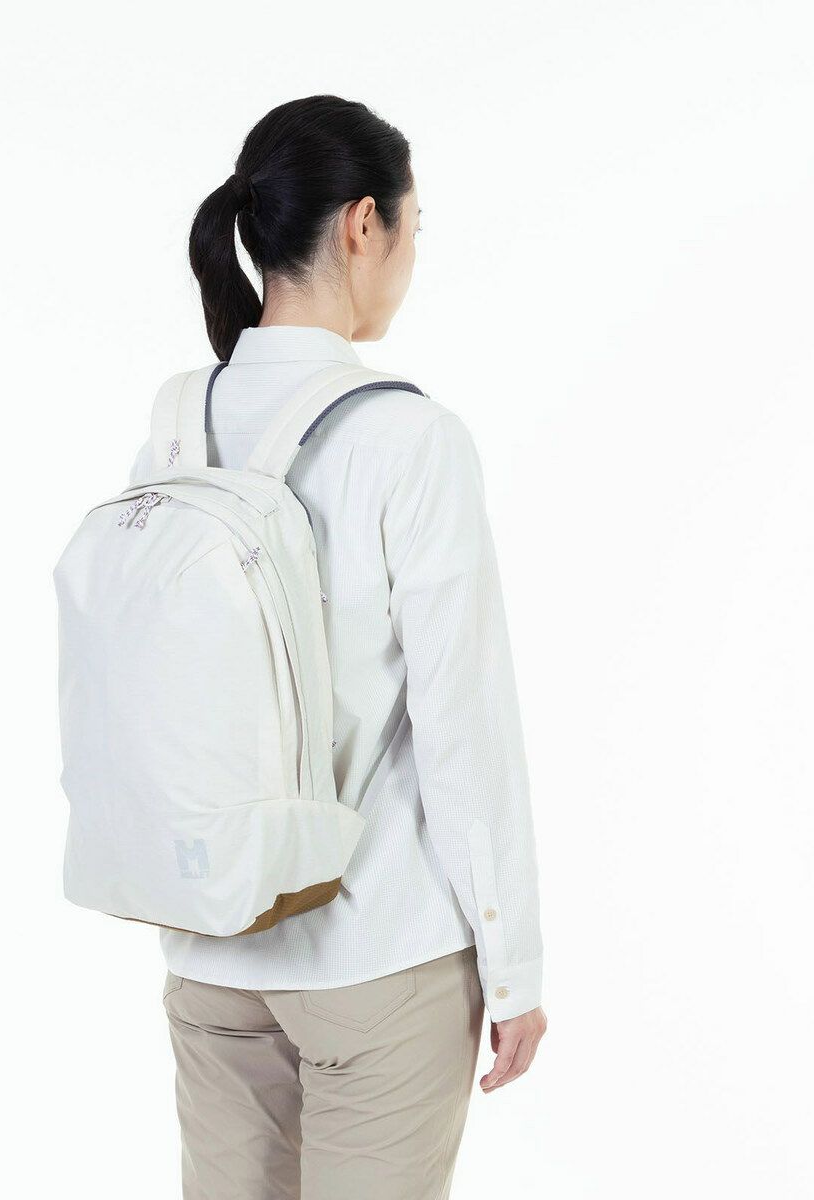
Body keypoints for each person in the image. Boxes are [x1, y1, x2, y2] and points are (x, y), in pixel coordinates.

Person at [128, 95, 546, 1200]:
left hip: (208, 945)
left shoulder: (178, 420)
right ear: (364, 224)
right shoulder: (410, 437)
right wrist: (514, 965)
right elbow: (463, 725)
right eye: (414, 225)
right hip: (377, 953)